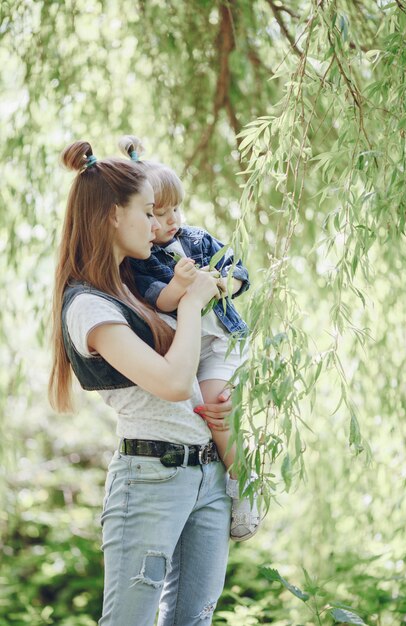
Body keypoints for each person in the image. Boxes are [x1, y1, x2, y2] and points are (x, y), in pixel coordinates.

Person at [48, 141, 235, 626]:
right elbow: (172, 382)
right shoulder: (89, 306)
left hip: (206, 474)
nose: (158, 226)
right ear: (113, 215)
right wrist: (192, 303)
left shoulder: (134, 287)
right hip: (152, 476)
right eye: (147, 212)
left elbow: (192, 373)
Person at [118, 136, 260, 542]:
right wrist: (181, 287)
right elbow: (158, 299)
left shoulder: (197, 238)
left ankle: (243, 484)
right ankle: (222, 480)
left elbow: (240, 272)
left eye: (175, 209)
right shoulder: (139, 260)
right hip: (187, 352)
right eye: (156, 214)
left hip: (220, 342)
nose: (169, 221)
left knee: (216, 404)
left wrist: (220, 285)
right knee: (206, 415)